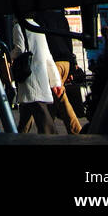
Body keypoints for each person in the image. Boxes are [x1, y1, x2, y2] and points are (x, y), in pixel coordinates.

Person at [11, 15, 63, 135]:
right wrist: (55, 81)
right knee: (27, 112)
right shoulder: (38, 27)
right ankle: (19, 138)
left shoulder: (18, 27)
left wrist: (10, 54)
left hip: (29, 75)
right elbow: (47, 55)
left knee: (39, 110)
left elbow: (20, 49)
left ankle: (51, 139)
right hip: (40, 74)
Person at [37, 7, 83, 135]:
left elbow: (43, 44)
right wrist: (73, 67)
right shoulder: (61, 18)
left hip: (54, 61)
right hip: (66, 62)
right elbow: (69, 42)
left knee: (59, 95)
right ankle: (47, 129)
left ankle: (75, 129)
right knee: (53, 97)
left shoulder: (39, 18)